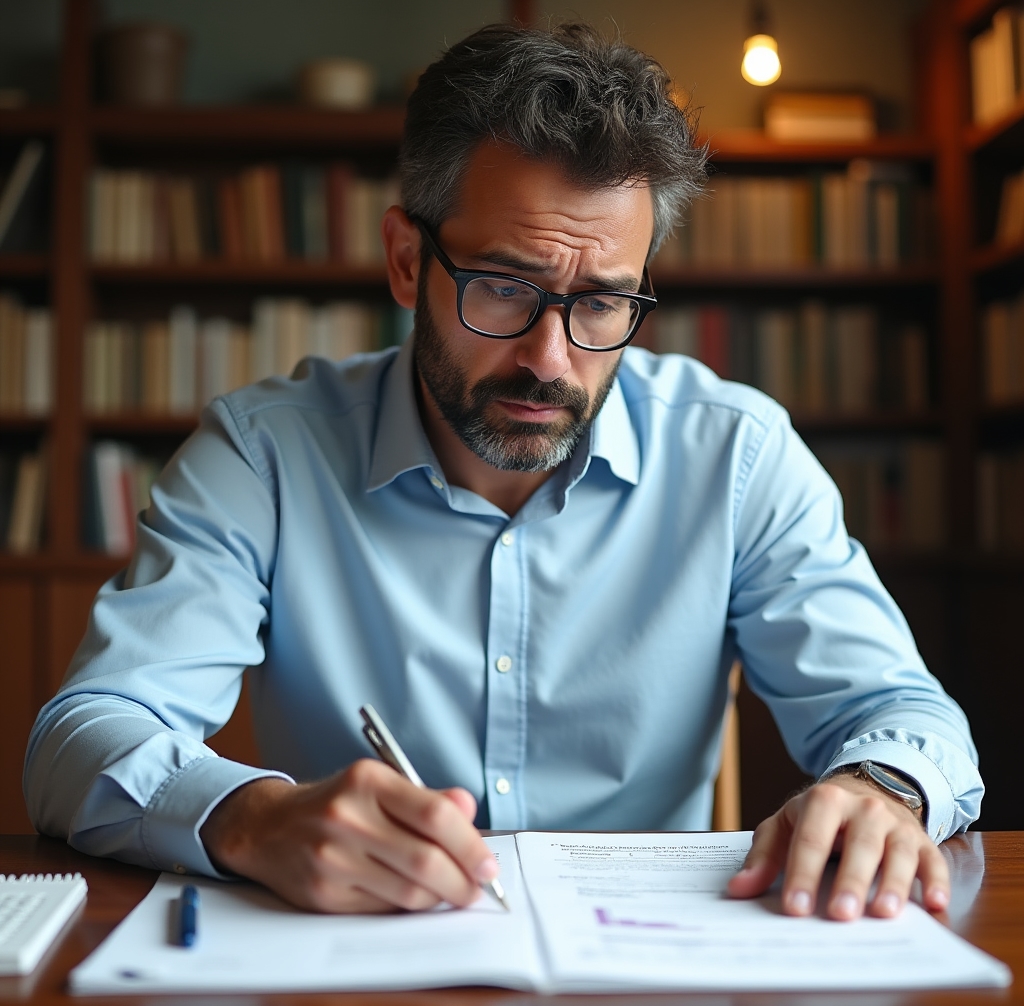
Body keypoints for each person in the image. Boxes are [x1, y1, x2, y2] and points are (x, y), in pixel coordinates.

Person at [25, 23, 981, 923]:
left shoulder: (736, 454)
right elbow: (85, 737)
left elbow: (900, 713)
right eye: (504, 287)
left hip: (650, 973)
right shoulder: (264, 453)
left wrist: (879, 788)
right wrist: (252, 819)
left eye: (602, 302)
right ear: (406, 261)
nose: (552, 359)